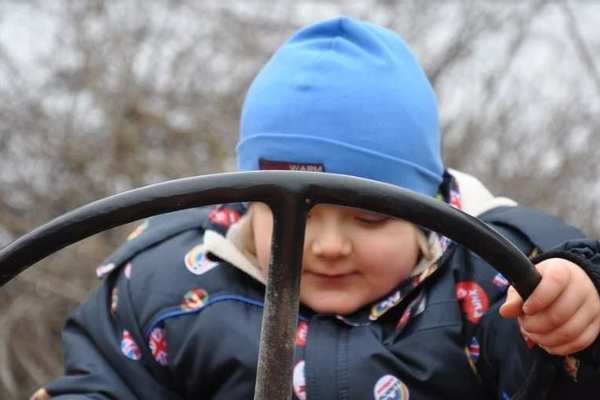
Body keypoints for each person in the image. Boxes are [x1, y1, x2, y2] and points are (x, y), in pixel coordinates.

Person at [32, 16, 600, 400]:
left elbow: (564, 379)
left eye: (371, 216)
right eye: (290, 217)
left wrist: (576, 310)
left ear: (428, 204)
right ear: (248, 196)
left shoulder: (494, 279)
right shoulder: (166, 286)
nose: (328, 245)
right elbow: (108, 380)